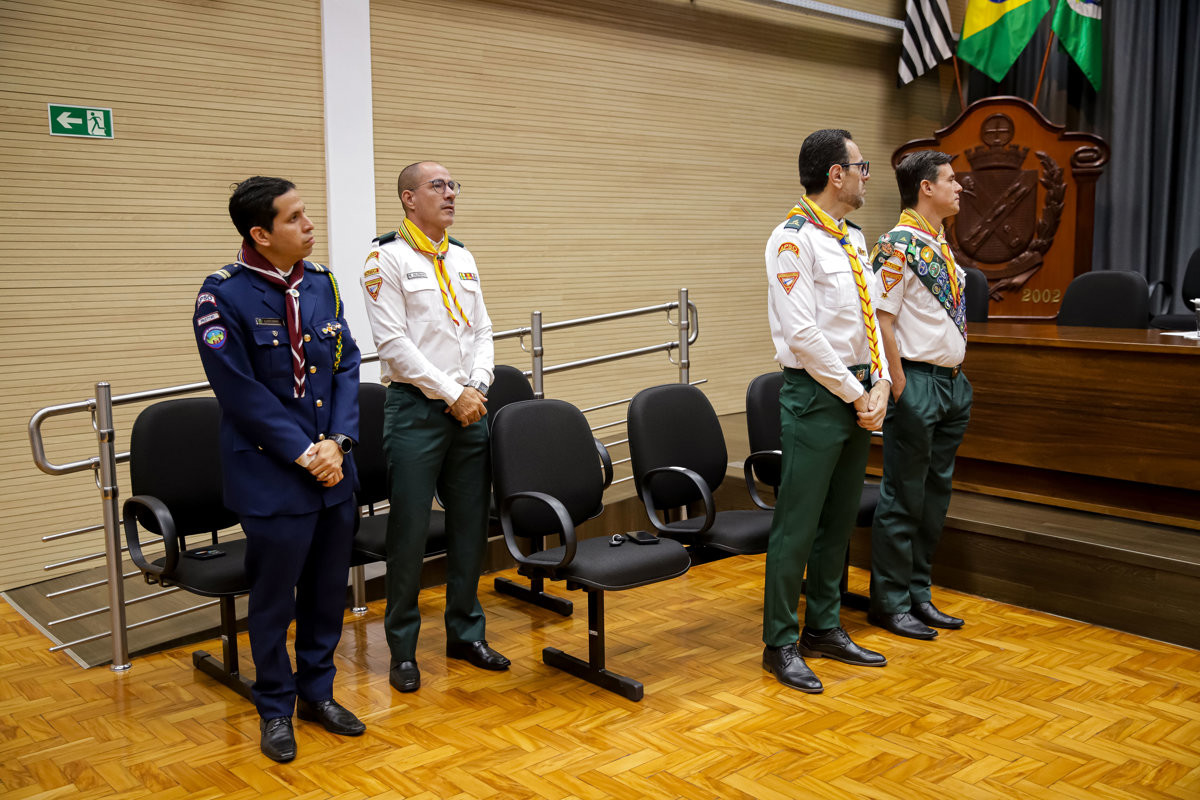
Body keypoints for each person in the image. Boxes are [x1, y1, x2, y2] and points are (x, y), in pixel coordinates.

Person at [193, 176, 365, 763]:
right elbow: (240, 394)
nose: (309, 225)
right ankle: (274, 707)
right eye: (294, 219)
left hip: (333, 473)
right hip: (272, 477)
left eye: (307, 214)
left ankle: (319, 694)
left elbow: (346, 365)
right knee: (274, 601)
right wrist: (305, 452)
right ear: (260, 234)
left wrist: (338, 443)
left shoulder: (322, 285)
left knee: (324, 595)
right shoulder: (223, 297)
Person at [360, 161, 509, 695]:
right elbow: (394, 345)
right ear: (408, 198)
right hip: (418, 410)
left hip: (470, 407)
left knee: (471, 526)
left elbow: (484, 329)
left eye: (454, 186)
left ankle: (465, 634)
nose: (450, 194)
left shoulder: (463, 256)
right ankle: (402, 648)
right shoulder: (386, 258)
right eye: (438, 186)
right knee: (409, 533)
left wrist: (480, 385)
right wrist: (454, 392)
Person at [761, 129, 892, 693]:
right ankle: (780, 642)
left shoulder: (853, 239)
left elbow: (869, 320)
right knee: (798, 524)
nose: (866, 176)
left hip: (860, 390)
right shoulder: (791, 240)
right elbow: (805, 333)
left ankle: (825, 625)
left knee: (838, 520)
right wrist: (855, 391)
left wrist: (882, 379)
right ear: (835, 174)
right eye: (860, 167)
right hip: (817, 395)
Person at [867, 151, 971, 640]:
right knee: (904, 496)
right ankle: (889, 602)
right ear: (925, 188)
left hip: (951, 384)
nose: (959, 187)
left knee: (934, 497)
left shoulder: (940, 244)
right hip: (918, 381)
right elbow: (882, 318)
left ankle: (919, 594)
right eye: (951, 180)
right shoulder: (896, 245)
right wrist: (898, 379)